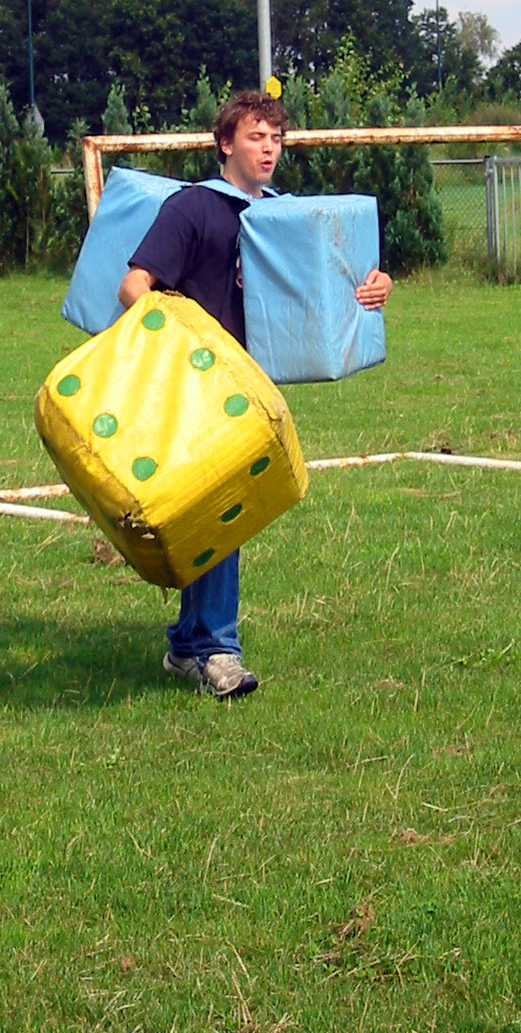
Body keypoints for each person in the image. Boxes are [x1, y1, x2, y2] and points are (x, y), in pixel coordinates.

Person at [118, 90, 393, 699]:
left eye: (276, 138)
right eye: (255, 137)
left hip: (249, 390)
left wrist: (377, 284)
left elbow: (336, 281)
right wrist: (192, 341)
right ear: (225, 144)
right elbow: (134, 287)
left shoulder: (281, 218)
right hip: (195, 387)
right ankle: (218, 652)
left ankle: (187, 645)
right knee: (224, 509)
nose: (269, 148)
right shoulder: (193, 208)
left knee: (213, 512)